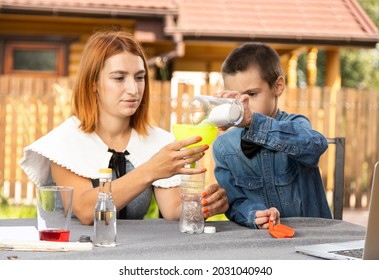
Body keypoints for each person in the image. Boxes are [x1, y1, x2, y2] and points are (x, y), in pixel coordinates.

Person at [19, 29, 228, 225]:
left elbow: (173, 209)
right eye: (119, 78)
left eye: (139, 77)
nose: (133, 89)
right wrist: (150, 170)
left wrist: (204, 205)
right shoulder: (65, 140)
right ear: (93, 83)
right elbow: (85, 210)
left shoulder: (158, 141)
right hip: (70, 254)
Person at [212, 42, 332, 230]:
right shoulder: (223, 146)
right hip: (262, 245)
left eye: (251, 94)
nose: (241, 105)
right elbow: (235, 203)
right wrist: (254, 214)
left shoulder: (296, 124)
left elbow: (315, 146)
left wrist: (254, 123)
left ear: (278, 86)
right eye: (234, 99)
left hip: (313, 236)